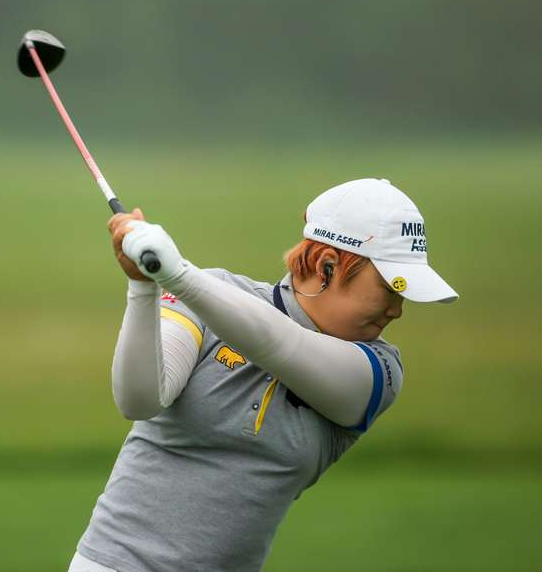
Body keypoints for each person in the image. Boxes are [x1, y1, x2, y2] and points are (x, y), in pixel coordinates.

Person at [67, 178, 458, 572]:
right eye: (391, 287)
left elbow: (283, 345)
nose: (397, 311)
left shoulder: (380, 371)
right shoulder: (211, 293)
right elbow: (139, 400)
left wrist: (180, 277)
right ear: (327, 264)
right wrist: (143, 288)